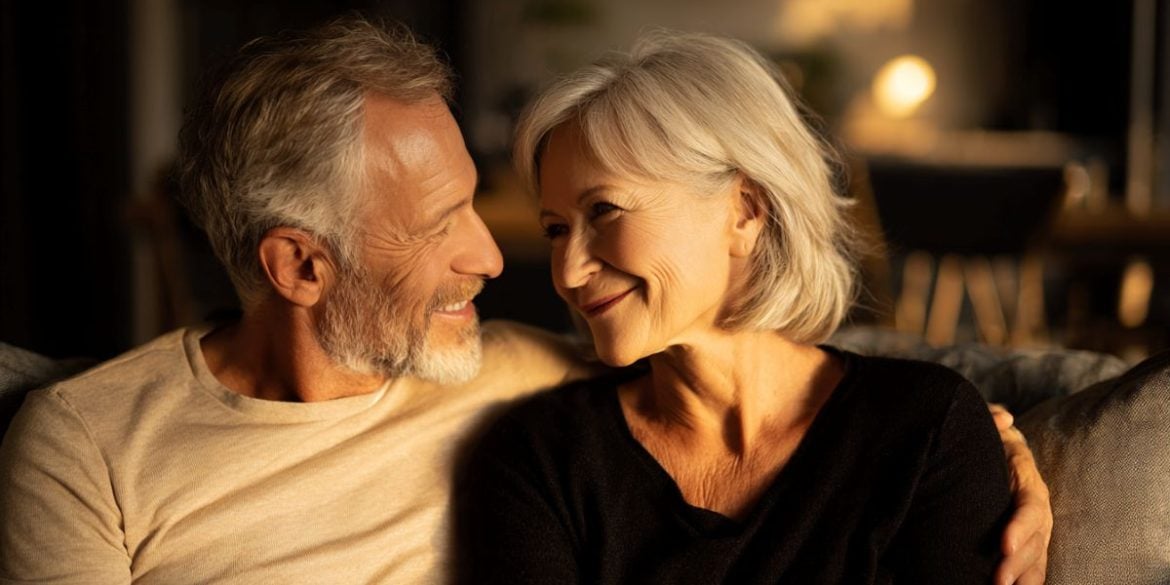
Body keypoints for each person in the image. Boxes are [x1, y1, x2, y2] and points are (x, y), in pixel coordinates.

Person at [0, 16, 1047, 585]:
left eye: (484, 209)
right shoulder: (84, 445)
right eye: (442, 222)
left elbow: (803, 379)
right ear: (301, 269)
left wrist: (1000, 439)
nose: (503, 265)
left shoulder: (524, 376)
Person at [453, 31, 1041, 584]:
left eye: (604, 210)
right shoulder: (540, 461)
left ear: (746, 210)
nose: (569, 270)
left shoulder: (926, 430)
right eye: (556, 229)